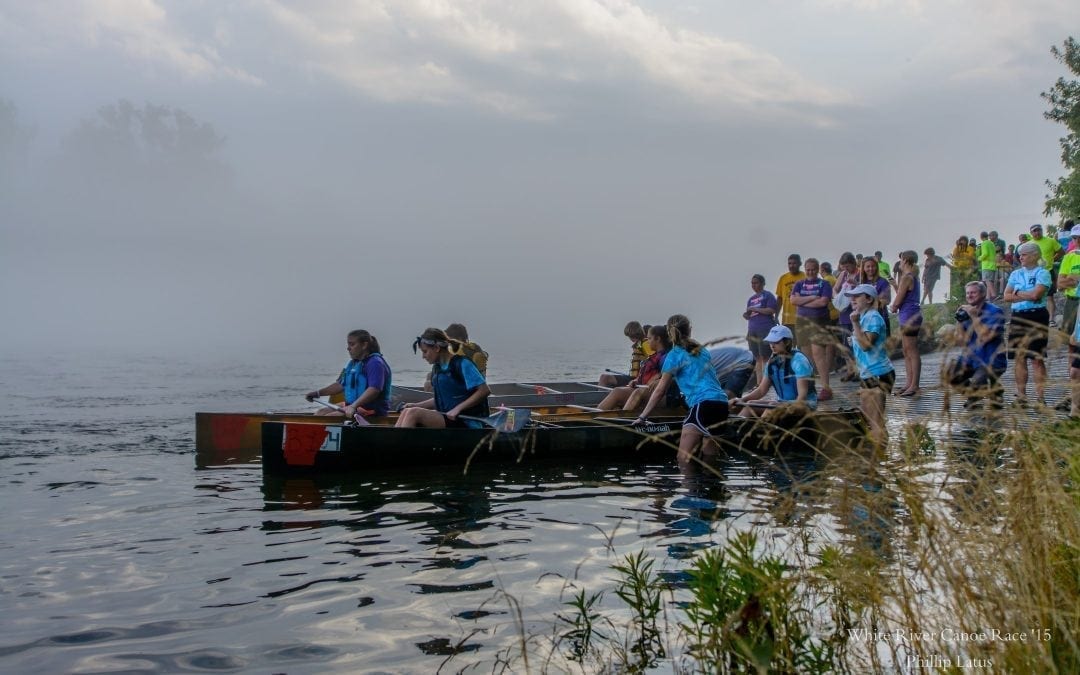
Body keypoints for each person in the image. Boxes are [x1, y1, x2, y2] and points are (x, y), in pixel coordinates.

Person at [635, 314, 729, 463]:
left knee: (683, 459)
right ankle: (711, 478)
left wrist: (642, 417)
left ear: (669, 332)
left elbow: (660, 391)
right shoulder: (701, 350)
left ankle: (689, 478)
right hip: (722, 403)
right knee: (710, 456)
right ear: (689, 330)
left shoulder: (674, 355)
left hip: (702, 404)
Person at [396, 328, 491, 428]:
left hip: (468, 421)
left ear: (437, 348)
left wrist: (457, 409)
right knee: (407, 411)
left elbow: (484, 390)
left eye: (425, 351)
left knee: (413, 413)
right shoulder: (437, 368)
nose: (423, 356)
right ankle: (395, 437)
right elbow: (441, 400)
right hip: (449, 418)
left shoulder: (462, 364)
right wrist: (416, 405)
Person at [845, 284, 895, 449]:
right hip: (868, 373)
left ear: (869, 299)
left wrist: (855, 324)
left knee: (875, 422)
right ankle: (879, 455)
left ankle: (880, 455)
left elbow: (866, 345)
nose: (853, 299)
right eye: (852, 297)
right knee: (870, 419)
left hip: (878, 372)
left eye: (857, 296)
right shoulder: (864, 316)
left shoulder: (873, 317)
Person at [944, 281, 1007, 411]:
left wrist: (974, 316)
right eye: (967, 293)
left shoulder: (995, 311)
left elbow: (985, 337)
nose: (969, 296)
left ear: (983, 294)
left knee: (978, 381)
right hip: (971, 358)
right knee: (950, 374)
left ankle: (981, 395)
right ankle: (987, 392)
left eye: (973, 293)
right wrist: (959, 320)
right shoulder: (966, 312)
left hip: (991, 359)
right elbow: (961, 341)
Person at [1003, 242, 1052, 406]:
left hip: (1036, 315)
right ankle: (1021, 396)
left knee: (1036, 358)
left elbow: (1036, 295)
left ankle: (1040, 398)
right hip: (1018, 315)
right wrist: (1025, 294)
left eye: (1024, 254)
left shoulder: (1043, 273)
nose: (1020, 257)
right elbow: (1006, 296)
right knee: (1019, 357)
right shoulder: (1015, 273)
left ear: (1034, 255)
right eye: (1020, 254)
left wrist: (1017, 292)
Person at [732, 325, 817, 417]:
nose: (772, 345)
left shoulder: (799, 361)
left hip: (804, 405)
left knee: (771, 408)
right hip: (782, 403)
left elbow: (802, 397)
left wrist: (788, 409)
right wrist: (742, 400)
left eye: (776, 342)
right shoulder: (773, 361)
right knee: (750, 404)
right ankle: (738, 424)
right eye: (770, 342)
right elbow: (761, 390)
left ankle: (761, 426)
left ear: (787, 342)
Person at [305, 329, 393, 417]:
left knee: (329, 417)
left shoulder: (375, 363)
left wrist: (353, 406)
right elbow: (340, 385)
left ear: (364, 345)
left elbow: (374, 390)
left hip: (372, 410)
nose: (348, 348)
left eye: (352, 344)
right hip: (354, 406)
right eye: (348, 344)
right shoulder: (353, 364)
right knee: (321, 412)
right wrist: (318, 393)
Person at [790, 258, 835, 401]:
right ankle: (809, 388)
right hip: (802, 321)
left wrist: (802, 301)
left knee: (818, 353)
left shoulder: (824, 284)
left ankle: (826, 388)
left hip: (819, 321)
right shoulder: (799, 284)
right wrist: (812, 297)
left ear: (817, 269)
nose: (810, 272)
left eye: (813, 269)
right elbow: (793, 300)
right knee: (806, 357)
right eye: (808, 270)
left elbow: (823, 302)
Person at [596, 325, 670, 411]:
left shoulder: (664, 357)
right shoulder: (655, 355)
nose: (647, 341)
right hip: (642, 387)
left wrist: (658, 377)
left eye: (649, 338)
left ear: (658, 339)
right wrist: (636, 380)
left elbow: (667, 374)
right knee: (617, 394)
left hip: (652, 392)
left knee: (617, 392)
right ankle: (605, 411)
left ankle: (597, 415)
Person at [889, 250, 923, 396]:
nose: (900, 263)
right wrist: (894, 286)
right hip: (910, 313)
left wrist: (893, 306)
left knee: (911, 350)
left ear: (905, 260)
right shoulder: (913, 277)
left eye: (902, 260)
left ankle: (914, 385)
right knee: (906, 349)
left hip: (909, 315)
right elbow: (904, 294)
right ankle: (909, 383)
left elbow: (898, 299)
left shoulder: (907, 277)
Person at [743, 274, 779, 383]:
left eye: (756, 283)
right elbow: (750, 315)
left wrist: (755, 309)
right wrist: (746, 315)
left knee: (765, 357)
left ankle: (766, 382)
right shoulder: (751, 299)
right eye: (752, 283)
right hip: (752, 329)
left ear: (763, 283)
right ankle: (759, 383)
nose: (754, 285)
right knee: (756, 358)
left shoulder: (768, 295)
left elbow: (771, 310)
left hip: (765, 328)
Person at [1028, 224, 1063, 326]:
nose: (1037, 232)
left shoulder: (1050, 241)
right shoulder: (1029, 244)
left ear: (1042, 231)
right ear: (1031, 233)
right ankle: (1037, 319)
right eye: (1034, 231)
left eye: (1039, 230)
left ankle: (1051, 319)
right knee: (1034, 296)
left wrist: (1052, 260)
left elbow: (1061, 252)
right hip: (1034, 273)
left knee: (1049, 296)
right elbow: (1022, 256)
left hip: (1048, 271)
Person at [598, 321, 653, 387]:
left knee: (604, 378)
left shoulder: (645, 344)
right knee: (604, 377)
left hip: (638, 380)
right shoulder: (638, 345)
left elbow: (654, 361)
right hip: (633, 378)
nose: (630, 338)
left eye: (630, 336)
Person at [833, 252, 860, 381]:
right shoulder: (843, 274)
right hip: (844, 313)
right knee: (846, 344)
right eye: (844, 267)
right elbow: (835, 288)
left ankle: (858, 370)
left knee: (857, 342)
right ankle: (850, 369)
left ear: (853, 263)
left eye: (848, 266)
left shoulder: (860, 273)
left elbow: (864, 288)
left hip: (856, 311)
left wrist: (855, 283)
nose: (846, 269)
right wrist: (837, 297)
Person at [774, 254, 805, 345]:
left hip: (802, 319)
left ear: (800, 264)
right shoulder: (783, 278)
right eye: (789, 263)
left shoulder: (805, 277)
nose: (791, 266)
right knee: (789, 346)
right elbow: (780, 298)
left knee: (802, 346)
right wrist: (776, 316)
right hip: (787, 320)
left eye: (794, 263)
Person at [1058, 223, 1080, 336]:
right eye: (1075, 238)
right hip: (1072, 302)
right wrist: (1076, 280)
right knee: (1068, 338)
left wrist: (1073, 278)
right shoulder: (1068, 257)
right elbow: (1060, 284)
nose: (1078, 240)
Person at [950, 236, 976, 301]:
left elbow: (970, 256)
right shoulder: (957, 248)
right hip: (959, 268)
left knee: (967, 281)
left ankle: (968, 295)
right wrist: (957, 247)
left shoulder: (970, 248)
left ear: (966, 241)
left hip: (968, 267)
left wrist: (963, 253)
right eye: (961, 240)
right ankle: (959, 296)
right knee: (959, 282)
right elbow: (955, 256)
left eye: (964, 240)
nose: (963, 242)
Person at [977, 231, 998, 299]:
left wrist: (979, 258)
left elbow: (985, 254)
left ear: (981, 237)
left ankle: (993, 295)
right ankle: (988, 297)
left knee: (987, 281)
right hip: (993, 265)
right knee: (989, 281)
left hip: (986, 265)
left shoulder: (984, 243)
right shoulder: (991, 243)